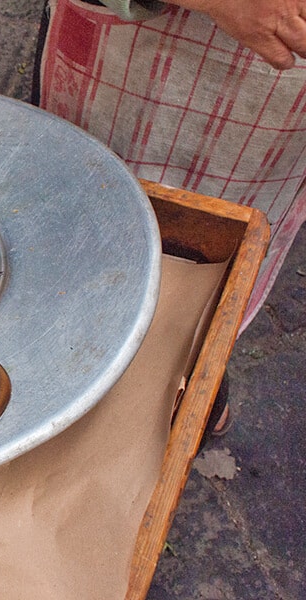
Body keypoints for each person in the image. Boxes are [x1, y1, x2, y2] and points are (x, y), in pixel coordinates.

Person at [31, 0, 306, 433]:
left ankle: (199, 386)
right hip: (130, 50)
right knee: (74, 254)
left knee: (210, 293)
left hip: (280, 106)